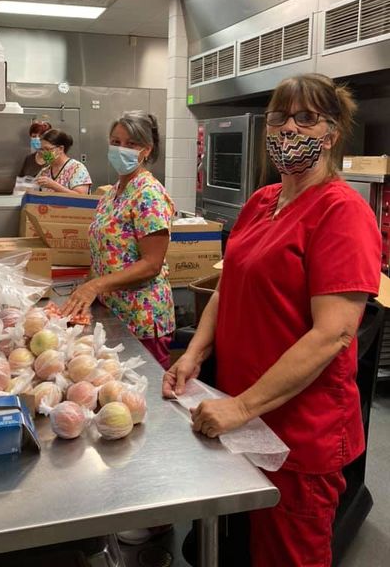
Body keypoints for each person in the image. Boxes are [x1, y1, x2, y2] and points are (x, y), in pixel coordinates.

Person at [162, 74, 381, 567]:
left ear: (332, 131)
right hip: (242, 410)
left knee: (288, 554)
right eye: (280, 117)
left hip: (298, 430)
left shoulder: (342, 212)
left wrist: (242, 409)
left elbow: (333, 334)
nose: (289, 129)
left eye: (306, 118)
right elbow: (229, 285)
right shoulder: (262, 203)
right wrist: (194, 354)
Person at [61, 111, 176, 370]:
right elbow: (105, 253)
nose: (120, 149)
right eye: (115, 141)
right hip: (114, 311)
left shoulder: (149, 194)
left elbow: (151, 264)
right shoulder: (113, 192)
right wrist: (85, 289)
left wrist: (96, 287)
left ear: (146, 150)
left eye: (131, 144)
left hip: (142, 318)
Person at [35, 128, 92, 195]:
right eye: (42, 149)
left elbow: (82, 197)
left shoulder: (76, 169)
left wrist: (54, 186)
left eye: (47, 149)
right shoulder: (45, 171)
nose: (44, 153)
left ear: (61, 149)